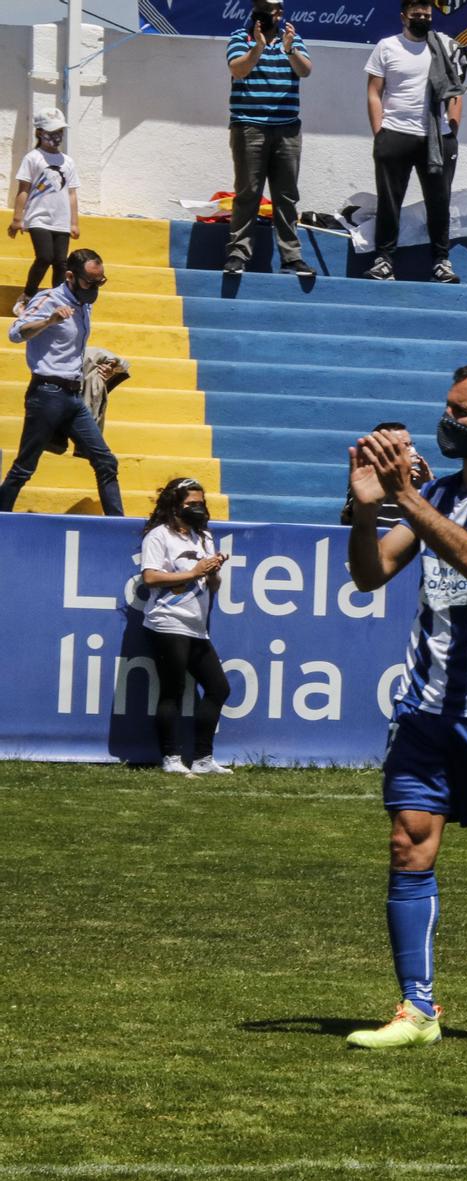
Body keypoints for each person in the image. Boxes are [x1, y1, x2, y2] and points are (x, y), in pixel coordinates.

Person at [341, 363, 467, 1049]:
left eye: (463, 413)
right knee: (408, 845)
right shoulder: (438, 493)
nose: (448, 420)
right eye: (448, 408)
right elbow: (370, 574)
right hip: (424, 709)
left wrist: (407, 495)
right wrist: (370, 506)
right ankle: (417, 1009)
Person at [2, 249, 123, 516]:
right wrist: (49, 320)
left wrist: (96, 366)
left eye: (100, 281)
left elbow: (71, 350)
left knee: (105, 461)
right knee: (24, 467)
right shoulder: (48, 299)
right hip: (46, 394)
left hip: (72, 396)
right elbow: (15, 333)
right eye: (90, 281)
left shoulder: (84, 303)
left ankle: (119, 526)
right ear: (70, 276)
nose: (95, 287)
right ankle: (3, 516)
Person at [364, 0, 467, 284]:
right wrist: (380, 133)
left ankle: (441, 262)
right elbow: (374, 92)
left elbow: (456, 93)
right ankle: (384, 260)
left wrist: (452, 132)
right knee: (390, 202)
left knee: (439, 202)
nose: (423, 19)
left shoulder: (446, 47)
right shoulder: (387, 47)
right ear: (404, 17)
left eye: (427, 15)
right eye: (417, 15)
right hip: (395, 134)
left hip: (437, 138)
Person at [138, 477, 232, 776]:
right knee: (173, 690)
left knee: (219, 688)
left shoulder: (203, 537)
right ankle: (171, 757)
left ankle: (203, 758)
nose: (198, 509)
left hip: (196, 625)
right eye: (191, 504)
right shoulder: (159, 535)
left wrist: (213, 571)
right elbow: (150, 578)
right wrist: (193, 571)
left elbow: (212, 586)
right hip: (167, 622)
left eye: (201, 503)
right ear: (175, 504)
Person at [224, 0, 315, 277]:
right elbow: (238, 69)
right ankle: (238, 254)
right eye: (261, 8)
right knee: (247, 193)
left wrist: (288, 48)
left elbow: (305, 70)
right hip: (249, 128)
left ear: (280, 14)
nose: (267, 14)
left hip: (287, 129)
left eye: (272, 9)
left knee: (286, 196)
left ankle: (291, 257)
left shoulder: (293, 38)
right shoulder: (240, 37)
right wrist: (258, 47)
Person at [8, 109, 80, 313]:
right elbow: (23, 189)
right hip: (38, 217)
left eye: (60, 131)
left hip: (62, 220)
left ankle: (56, 299)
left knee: (61, 262)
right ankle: (27, 295)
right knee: (45, 257)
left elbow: (72, 194)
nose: (56, 136)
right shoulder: (33, 158)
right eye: (51, 131)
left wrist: (74, 222)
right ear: (40, 132)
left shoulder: (68, 162)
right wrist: (17, 218)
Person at [339, 422, 430, 526]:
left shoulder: (423, 479)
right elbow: (353, 521)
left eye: (410, 444)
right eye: (404, 445)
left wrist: (431, 488)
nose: (412, 450)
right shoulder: (368, 480)